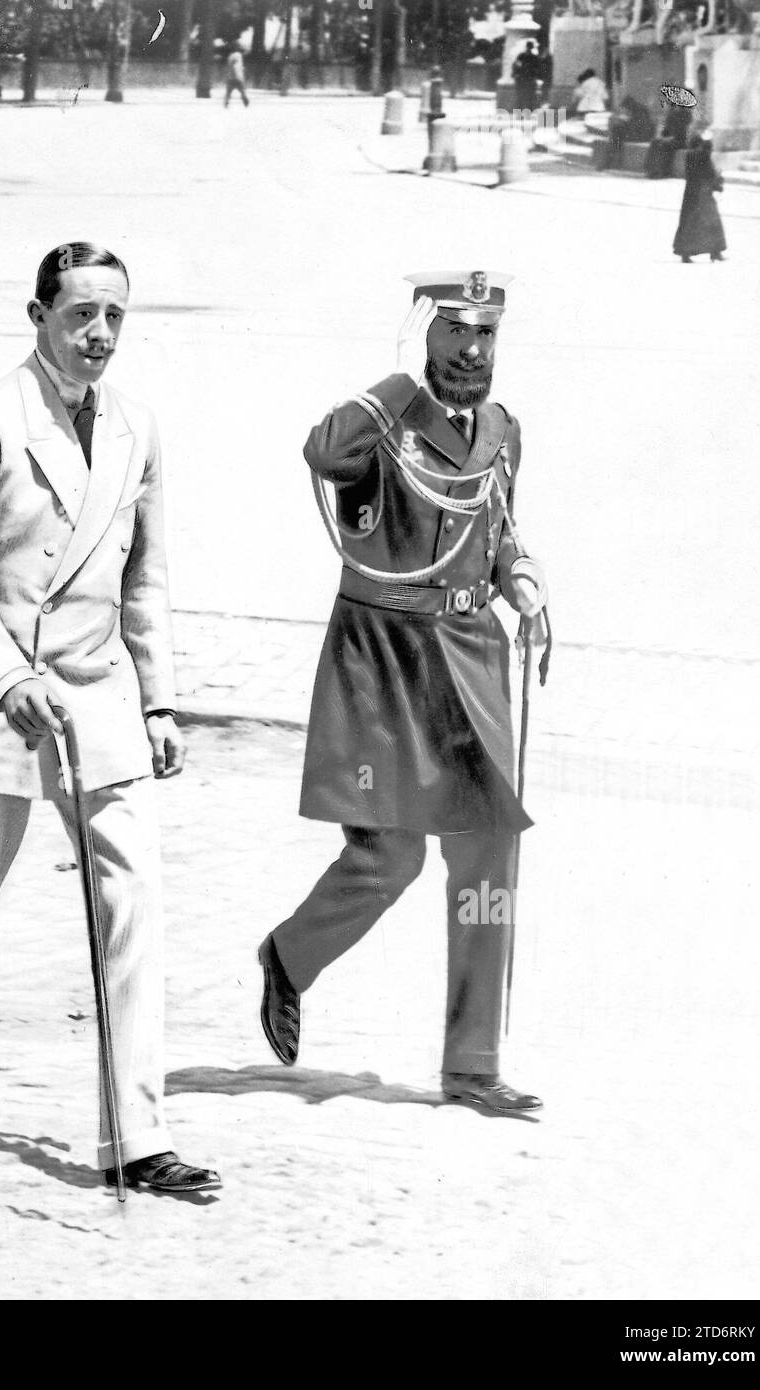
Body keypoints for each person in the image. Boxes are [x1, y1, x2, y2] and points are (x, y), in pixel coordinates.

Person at [0, 242, 221, 1196]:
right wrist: (4, 679)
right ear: (38, 317)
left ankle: (137, 1139)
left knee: (132, 902)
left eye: (114, 317)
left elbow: (146, 577)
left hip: (97, 696)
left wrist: (160, 699)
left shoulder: (138, 427)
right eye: (80, 315)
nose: (99, 334)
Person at [257, 271, 549, 1116]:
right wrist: (394, 381)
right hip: (382, 662)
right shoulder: (383, 424)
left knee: (489, 853)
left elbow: (498, 529)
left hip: (470, 656)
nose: (471, 353)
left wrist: (521, 581)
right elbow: (322, 452)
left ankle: (473, 1065)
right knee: (391, 857)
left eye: (486, 336)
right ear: (421, 339)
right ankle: (288, 957)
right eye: (454, 334)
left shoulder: (502, 431)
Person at [673, 130, 726, 262]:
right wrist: (718, 183)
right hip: (703, 193)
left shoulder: (690, 155)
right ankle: (715, 251)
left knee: (691, 222)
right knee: (711, 221)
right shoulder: (701, 155)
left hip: (692, 193)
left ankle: (688, 253)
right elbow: (709, 172)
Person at [645, 97, 694, 179]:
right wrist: (662, 136)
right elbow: (666, 129)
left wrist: (670, 138)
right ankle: (650, 168)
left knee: (664, 145)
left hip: (679, 140)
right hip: (669, 138)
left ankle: (661, 171)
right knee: (655, 142)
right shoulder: (672, 114)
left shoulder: (686, 114)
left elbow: (683, 130)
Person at [605, 95, 655, 169]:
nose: (625, 111)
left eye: (625, 109)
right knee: (617, 133)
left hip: (642, 136)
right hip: (639, 134)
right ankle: (613, 161)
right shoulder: (637, 109)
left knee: (616, 132)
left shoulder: (640, 111)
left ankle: (609, 161)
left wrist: (626, 121)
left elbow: (638, 127)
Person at [511, 40, 538, 111]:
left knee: (521, 95)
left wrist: (515, 74)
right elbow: (537, 69)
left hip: (522, 78)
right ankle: (527, 110)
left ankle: (520, 110)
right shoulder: (534, 57)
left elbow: (516, 65)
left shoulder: (521, 56)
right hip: (528, 78)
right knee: (528, 96)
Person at [224, 43, 249, 108]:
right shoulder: (239, 55)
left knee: (228, 92)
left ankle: (226, 103)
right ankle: (245, 101)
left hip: (231, 77)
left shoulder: (230, 56)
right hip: (238, 77)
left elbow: (229, 66)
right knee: (242, 91)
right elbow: (237, 66)